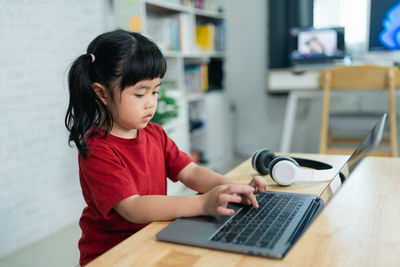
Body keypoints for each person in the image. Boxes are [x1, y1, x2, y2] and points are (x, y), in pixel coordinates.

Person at [65, 29, 267, 266]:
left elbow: (189, 172)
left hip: (153, 236)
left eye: (156, 91)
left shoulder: (155, 133)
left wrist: (233, 187)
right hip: (113, 254)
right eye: (140, 94)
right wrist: (202, 203)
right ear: (101, 93)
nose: (151, 102)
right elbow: (133, 207)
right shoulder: (97, 149)